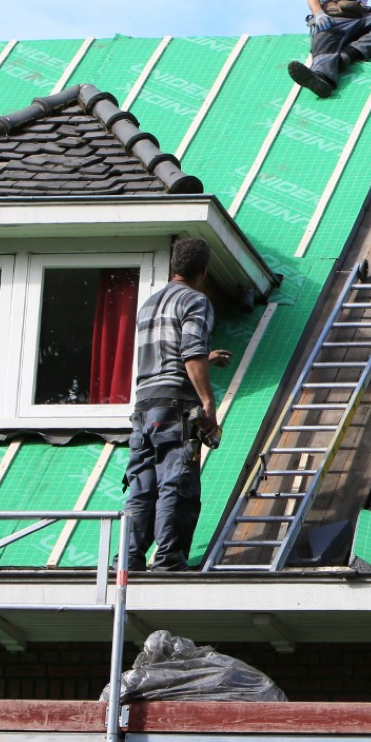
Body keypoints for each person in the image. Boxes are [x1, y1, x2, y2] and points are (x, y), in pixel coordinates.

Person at [124, 238, 230, 571]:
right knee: (177, 481)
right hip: (175, 407)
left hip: (144, 407)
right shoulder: (195, 301)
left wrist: (203, 358)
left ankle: (128, 560)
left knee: (142, 485)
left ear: (174, 266)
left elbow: (165, 354)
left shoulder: (149, 305)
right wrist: (208, 401)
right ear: (203, 271)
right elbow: (189, 350)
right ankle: (169, 561)